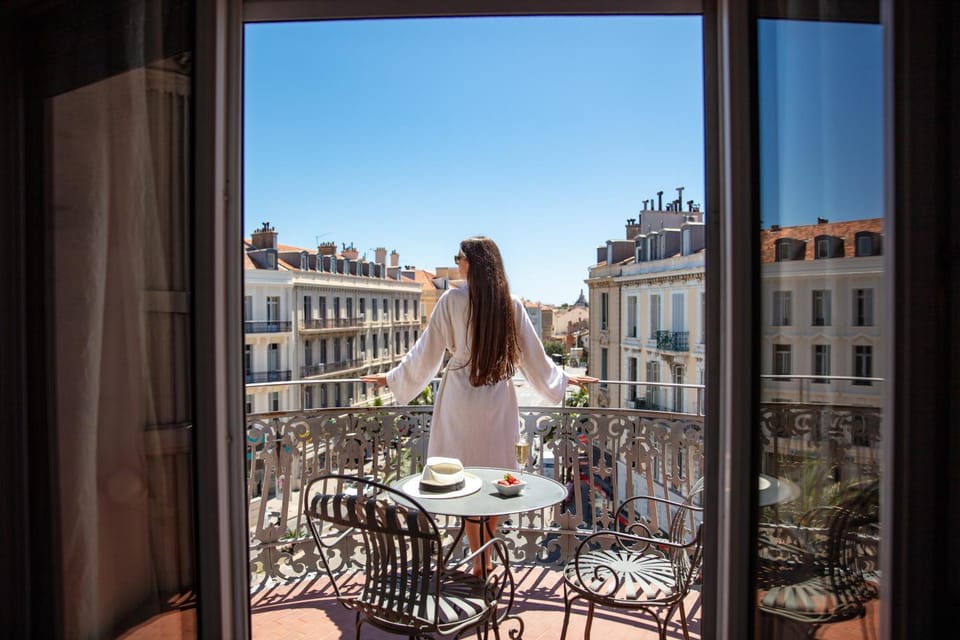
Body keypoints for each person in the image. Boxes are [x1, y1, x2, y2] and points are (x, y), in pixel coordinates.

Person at [362, 236, 596, 576]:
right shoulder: (511, 304)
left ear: (472, 262)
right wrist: (562, 379)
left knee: (464, 478)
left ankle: (479, 559)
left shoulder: (451, 301)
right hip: (497, 398)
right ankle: (484, 555)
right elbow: (534, 356)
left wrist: (393, 379)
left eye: (459, 257)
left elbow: (425, 353)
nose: (457, 263)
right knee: (500, 475)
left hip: (459, 399)